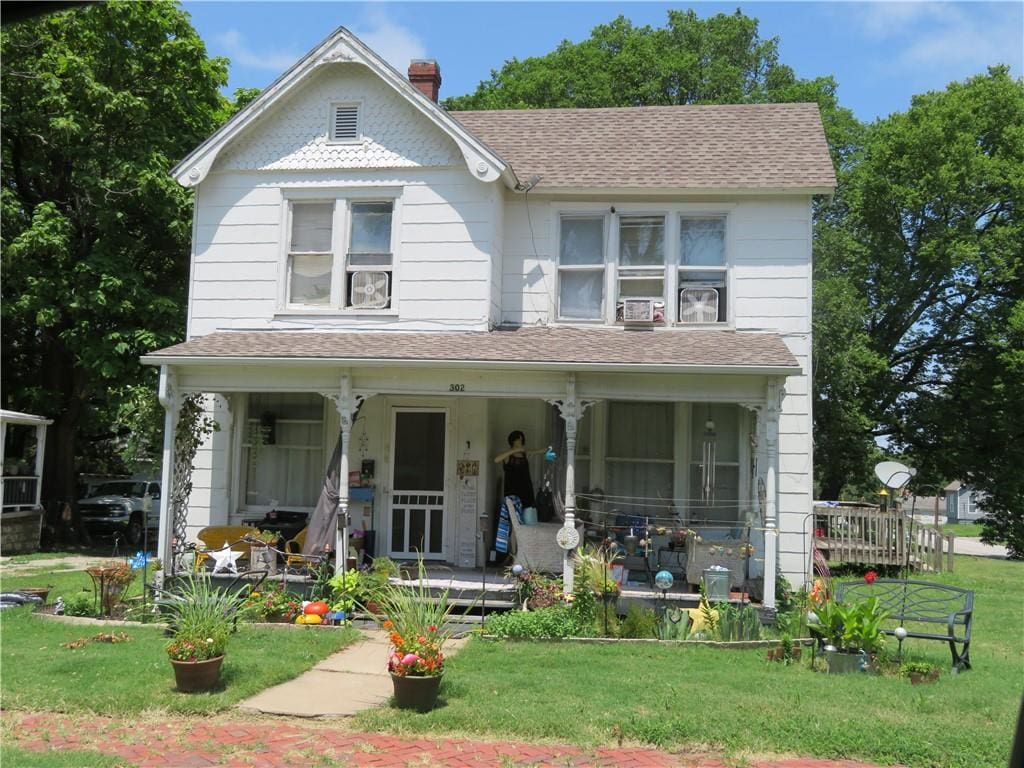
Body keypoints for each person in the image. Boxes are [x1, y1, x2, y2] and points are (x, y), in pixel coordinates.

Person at [493, 430, 546, 509]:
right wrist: (514, 450)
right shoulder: (507, 455)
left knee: (526, 512)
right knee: (512, 513)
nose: (520, 442)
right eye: (518, 440)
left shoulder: (525, 454)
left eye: (521, 440)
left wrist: (549, 448)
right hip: (512, 489)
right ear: (513, 441)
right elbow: (496, 460)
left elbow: (539, 451)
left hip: (525, 489)